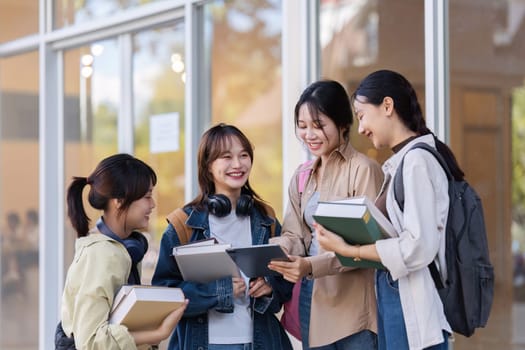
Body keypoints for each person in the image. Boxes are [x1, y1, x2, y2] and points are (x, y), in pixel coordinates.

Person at [317, 69, 457, 350]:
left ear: (388, 106)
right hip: (398, 302)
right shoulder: (403, 162)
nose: (361, 129)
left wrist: (350, 250)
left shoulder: (417, 161)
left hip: (412, 309)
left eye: (362, 115)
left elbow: (418, 246)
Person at [152, 123, 293, 350]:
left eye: (244, 155)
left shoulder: (266, 219)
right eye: (226, 157)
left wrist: (269, 287)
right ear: (208, 166)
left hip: (261, 343)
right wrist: (218, 291)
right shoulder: (182, 225)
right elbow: (165, 296)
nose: (237, 164)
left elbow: (286, 283)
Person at [268, 80, 383, 349]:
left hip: (355, 310)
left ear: (343, 124)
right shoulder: (302, 175)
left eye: (319, 125)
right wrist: (275, 252)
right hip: (312, 300)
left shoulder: (364, 170)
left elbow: (367, 247)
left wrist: (309, 266)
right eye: (302, 125)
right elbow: (294, 234)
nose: (309, 134)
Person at [57, 153, 187, 349]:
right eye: (147, 196)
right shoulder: (101, 255)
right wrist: (156, 334)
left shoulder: (124, 249)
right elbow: (91, 342)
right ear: (118, 200)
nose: (152, 205)